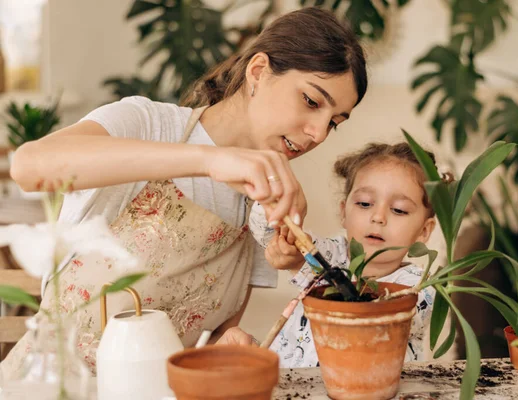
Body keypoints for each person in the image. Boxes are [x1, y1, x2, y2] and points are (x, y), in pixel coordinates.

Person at [2, 7, 367, 377]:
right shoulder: (147, 124)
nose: (319, 133)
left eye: (334, 123)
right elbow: (30, 166)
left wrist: (226, 347)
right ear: (258, 72)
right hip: (51, 384)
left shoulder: (263, 206)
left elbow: (211, 336)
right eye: (311, 101)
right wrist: (211, 161)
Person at [253, 142, 442, 367]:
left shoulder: (418, 287)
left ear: (424, 230)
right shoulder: (332, 253)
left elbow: (373, 322)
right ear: (344, 212)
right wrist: (284, 212)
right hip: (292, 383)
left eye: (398, 210)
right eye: (364, 204)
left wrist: (306, 269)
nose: (378, 217)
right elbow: (265, 230)